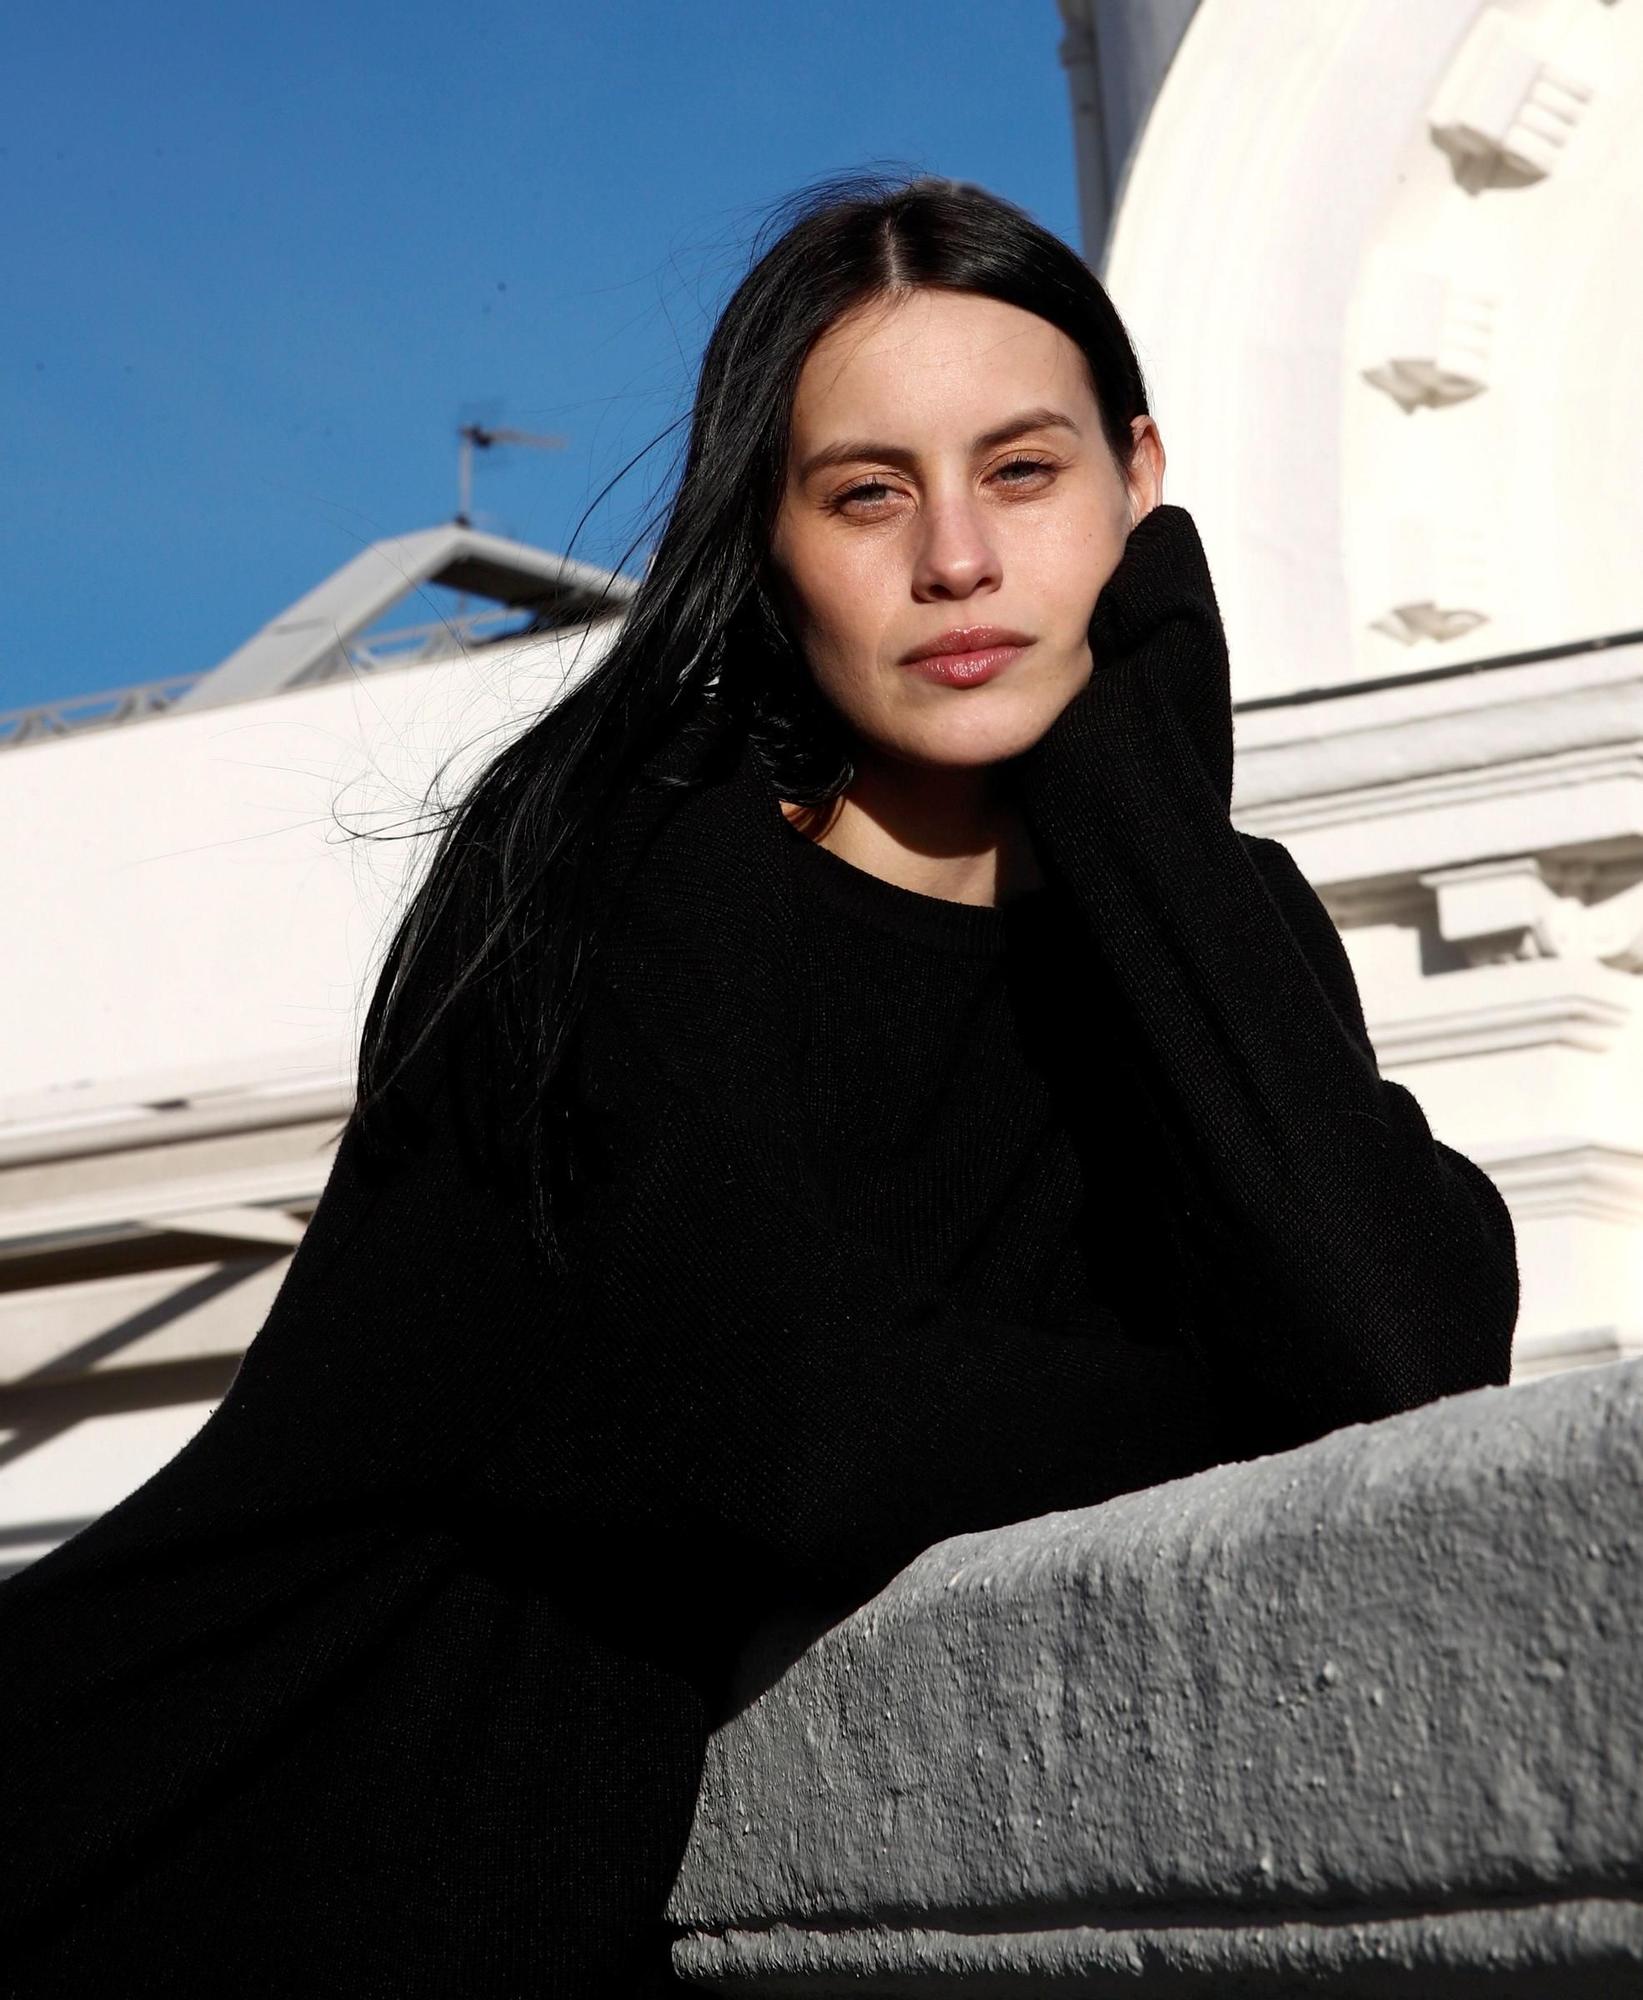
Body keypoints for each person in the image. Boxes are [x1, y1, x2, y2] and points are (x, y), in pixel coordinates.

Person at [0, 173, 1518, 1996]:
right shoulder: (640, 868)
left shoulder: (1193, 928)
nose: (955, 559)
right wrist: (1270, 1384)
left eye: (1024, 475)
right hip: (156, 1855)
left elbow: (1415, 1352)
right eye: (868, 492)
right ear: (774, 544)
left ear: (1142, 482)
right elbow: (819, 1436)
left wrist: (1144, 801)